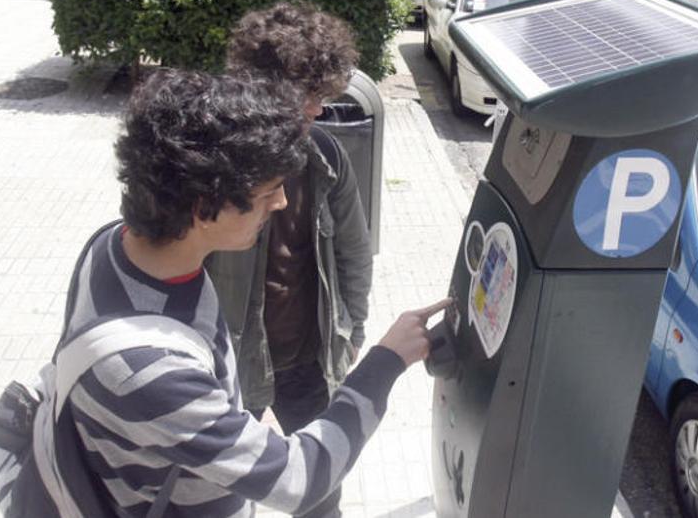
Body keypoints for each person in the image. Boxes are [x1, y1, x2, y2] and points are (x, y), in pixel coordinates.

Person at [66, 67, 448, 517]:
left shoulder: (111, 245)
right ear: (205, 207)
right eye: (269, 192)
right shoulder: (150, 368)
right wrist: (386, 361)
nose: (282, 203)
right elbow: (297, 479)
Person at [205, 2, 372, 517]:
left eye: (322, 95)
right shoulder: (211, 155)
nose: (318, 110)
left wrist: (352, 330)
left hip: (308, 357)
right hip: (232, 363)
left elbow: (353, 250)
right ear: (263, 88)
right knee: (219, 495)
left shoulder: (326, 155)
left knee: (321, 492)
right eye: (308, 95)